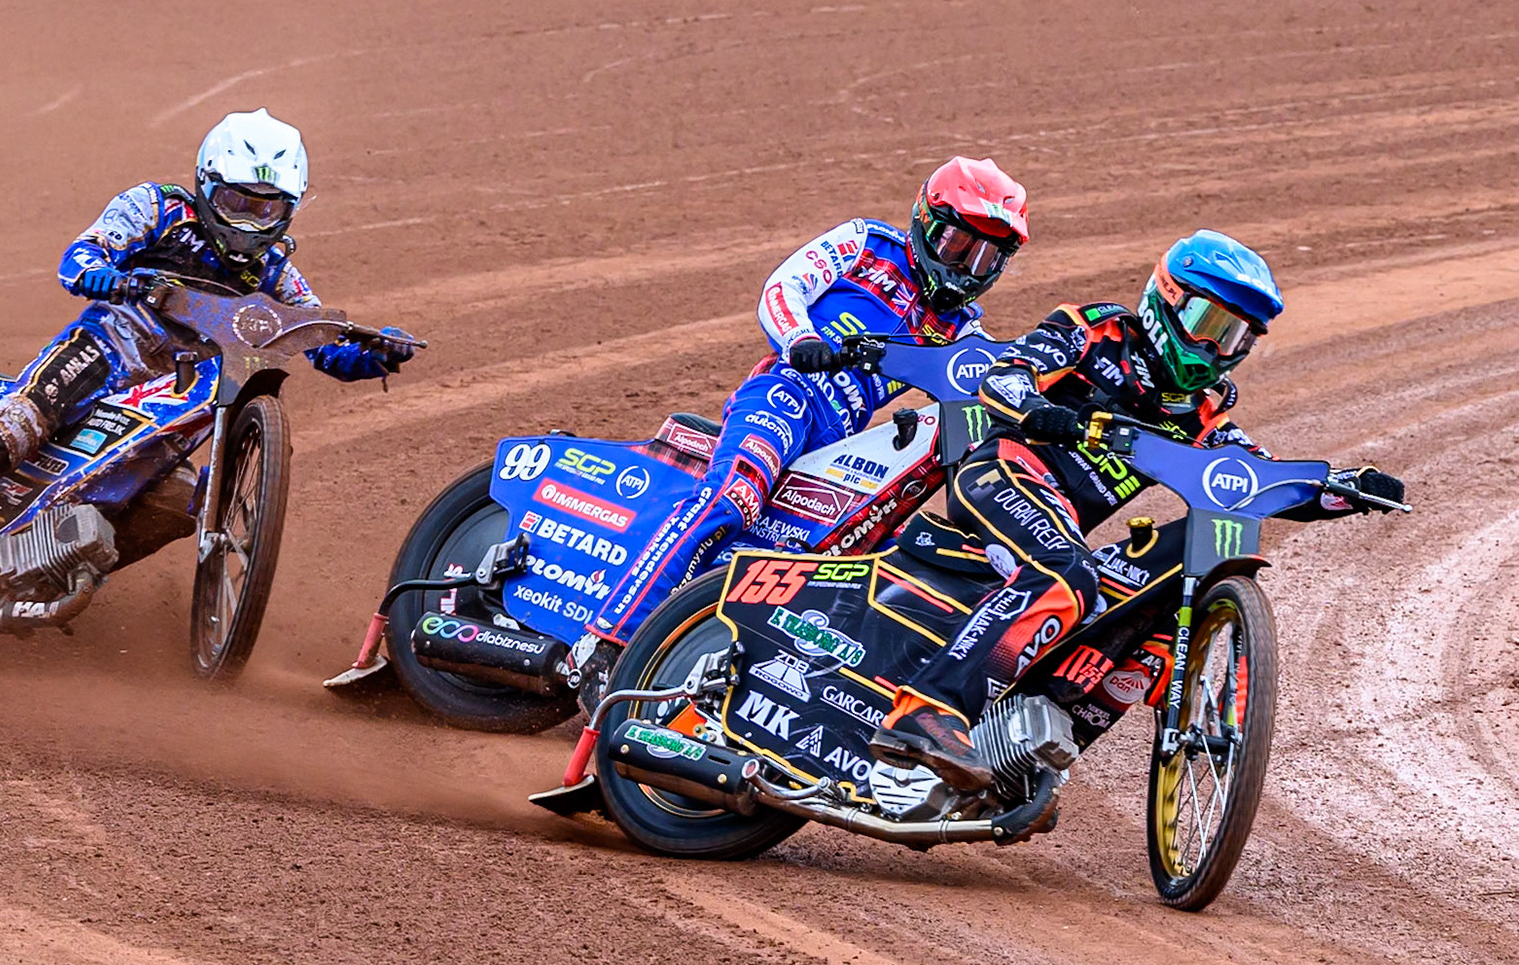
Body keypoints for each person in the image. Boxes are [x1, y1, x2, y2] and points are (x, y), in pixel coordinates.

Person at [875, 230, 1405, 791]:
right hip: (1001, 472)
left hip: (1056, 524)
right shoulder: (1094, 331)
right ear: (1168, 299)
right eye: (1210, 324)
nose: (1216, 350)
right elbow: (1003, 377)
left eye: (1236, 337)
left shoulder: (1199, 413)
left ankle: (1031, 743)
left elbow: (1251, 477)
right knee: (1068, 571)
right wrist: (1039, 410)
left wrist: (1341, 487)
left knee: (1180, 567)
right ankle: (926, 710)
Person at [0, 109, 412, 609]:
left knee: (173, 502)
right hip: (106, 350)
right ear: (206, 185)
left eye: (265, 210)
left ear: (290, 209)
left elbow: (321, 344)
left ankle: (43, 575)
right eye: (236, 202)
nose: (246, 223)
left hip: (174, 395)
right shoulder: (156, 208)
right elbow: (79, 258)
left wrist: (377, 351)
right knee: (15, 429)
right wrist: (109, 277)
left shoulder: (277, 276)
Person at [575, 156, 1031, 707]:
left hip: (839, 445)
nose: (968, 266)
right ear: (925, 220)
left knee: (855, 564)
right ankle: (602, 643)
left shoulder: (964, 331)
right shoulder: (866, 244)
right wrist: (799, 338)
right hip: (785, 395)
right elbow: (782, 287)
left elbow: (983, 400)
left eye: (986, 256)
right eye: (960, 245)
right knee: (734, 497)